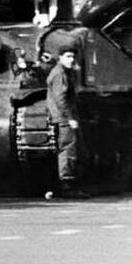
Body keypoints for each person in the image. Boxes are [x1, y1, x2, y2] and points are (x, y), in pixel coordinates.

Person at [44, 42, 90, 200]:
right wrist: (70, 118)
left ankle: (64, 185)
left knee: (69, 149)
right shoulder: (60, 74)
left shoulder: (62, 72)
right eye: (68, 56)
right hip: (64, 118)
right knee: (68, 150)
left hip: (62, 117)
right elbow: (61, 99)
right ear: (60, 58)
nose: (71, 59)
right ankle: (67, 185)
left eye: (73, 57)